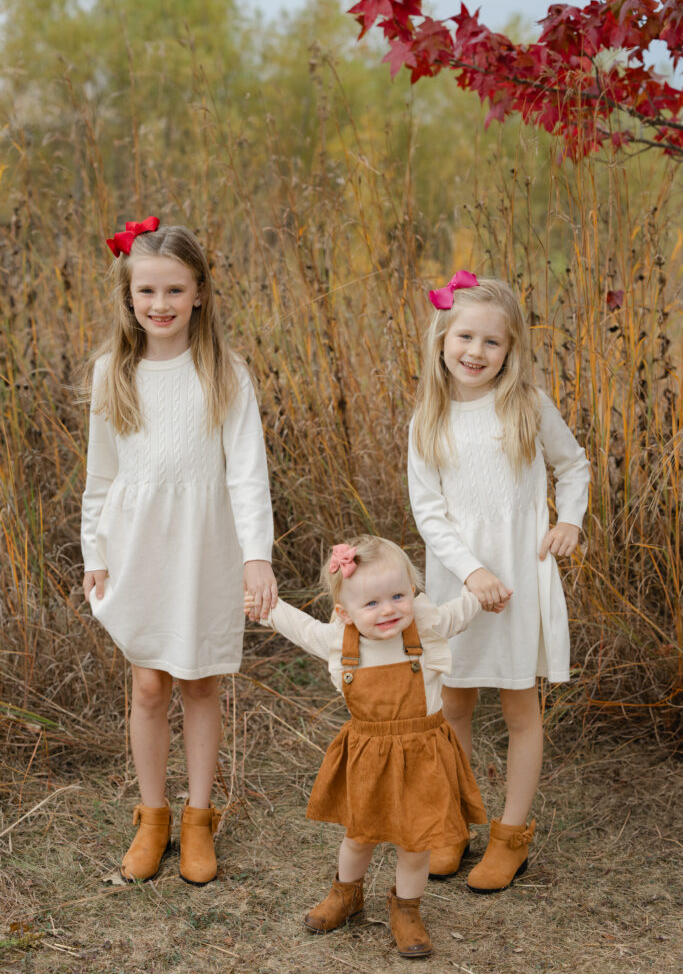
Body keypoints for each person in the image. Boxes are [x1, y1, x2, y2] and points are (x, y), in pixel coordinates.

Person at [81, 217, 277, 886]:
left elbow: (248, 473)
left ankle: (199, 819)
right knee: (146, 682)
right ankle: (153, 817)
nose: (159, 305)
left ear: (199, 292)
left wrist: (257, 556)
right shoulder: (115, 371)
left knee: (198, 680)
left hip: (205, 545)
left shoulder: (223, 372)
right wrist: (93, 555)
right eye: (146, 292)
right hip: (135, 545)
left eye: (173, 290)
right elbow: (100, 476)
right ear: (128, 296)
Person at [408, 271, 590, 892]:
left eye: (492, 342)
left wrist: (569, 520)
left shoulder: (528, 407)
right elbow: (428, 511)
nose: (476, 352)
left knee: (519, 704)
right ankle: (454, 823)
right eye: (465, 337)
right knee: (453, 702)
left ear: (510, 350)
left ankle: (511, 836)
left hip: (519, 577)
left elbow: (573, 466)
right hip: (459, 581)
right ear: (441, 339)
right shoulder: (427, 419)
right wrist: (472, 572)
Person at [244, 535, 487, 958]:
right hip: (369, 757)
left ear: (413, 593)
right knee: (360, 836)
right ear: (345, 612)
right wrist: (267, 609)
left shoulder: (424, 626)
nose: (388, 609)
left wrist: (483, 593)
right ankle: (346, 894)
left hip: (424, 755)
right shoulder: (341, 641)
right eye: (371, 604)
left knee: (416, 842)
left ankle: (406, 907)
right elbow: (302, 629)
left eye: (398, 595)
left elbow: (457, 614)